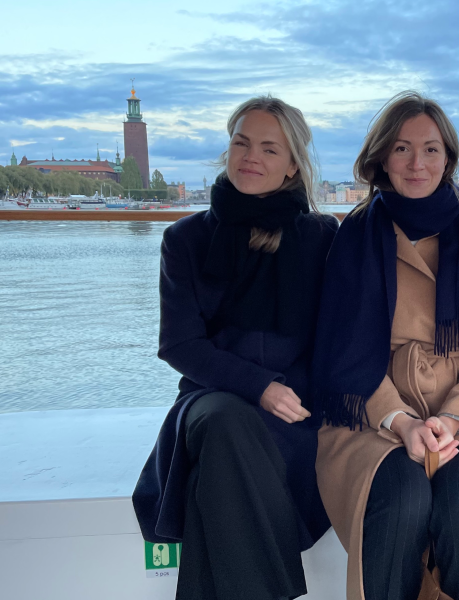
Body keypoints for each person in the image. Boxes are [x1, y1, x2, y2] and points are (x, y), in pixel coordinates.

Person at [312, 91, 459, 600]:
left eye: (431, 149)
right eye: (402, 148)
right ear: (382, 156)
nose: (417, 163)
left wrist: (450, 421)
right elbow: (343, 352)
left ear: (447, 157)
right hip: (372, 407)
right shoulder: (353, 238)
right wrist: (400, 420)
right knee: (400, 496)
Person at [132, 96, 337, 600]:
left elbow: (337, 337)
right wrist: (259, 386)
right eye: (242, 142)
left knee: (220, 476)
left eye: (270, 148)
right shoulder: (185, 239)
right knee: (225, 423)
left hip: (298, 413)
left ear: (292, 165)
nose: (251, 156)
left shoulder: (321, 237)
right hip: (211, 398)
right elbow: (179, 344)